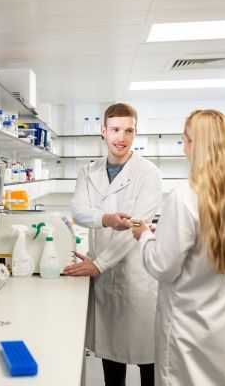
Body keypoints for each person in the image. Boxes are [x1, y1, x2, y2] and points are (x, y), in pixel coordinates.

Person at [132, 109, 225, 386]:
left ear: (197, 145)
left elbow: (163, 267)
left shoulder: (184, 197)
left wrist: (145, 237)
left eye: (185, 140)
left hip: (189, 332)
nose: (183, 147)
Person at [67, 103, 162, 386]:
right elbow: (78, 211)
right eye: (116, 130)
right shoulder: (89, 171)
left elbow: (135, 228)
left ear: (136, 133)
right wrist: (106, 218)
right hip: (105, 277)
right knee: (111, 355)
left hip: (137, 274)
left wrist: (98, 263)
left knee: (148, 356)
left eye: (129, 130)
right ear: (103, 131)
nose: (121, 137)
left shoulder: (149, 174)